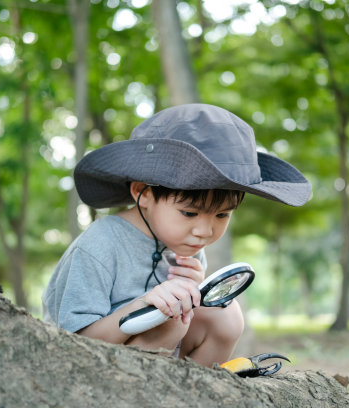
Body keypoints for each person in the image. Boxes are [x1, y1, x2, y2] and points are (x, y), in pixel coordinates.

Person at [42, 103, 311, 367]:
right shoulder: (99, 245)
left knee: (226, 315)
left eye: (222, 215)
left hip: (162, 359)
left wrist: (194, 296)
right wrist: (146, 304)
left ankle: (198, 390)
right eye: (189, 213)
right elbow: (74, 341)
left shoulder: (186, 244)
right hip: (95, 364)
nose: (204, 231)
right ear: (143, 193)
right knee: (168, 320)